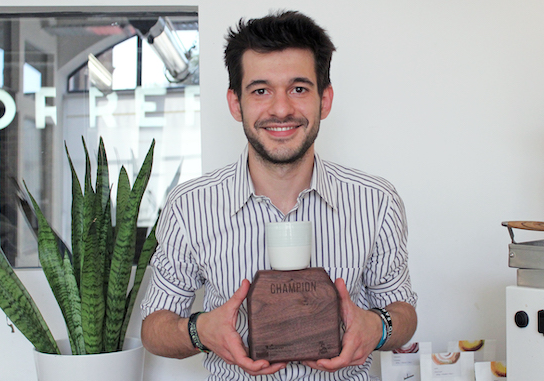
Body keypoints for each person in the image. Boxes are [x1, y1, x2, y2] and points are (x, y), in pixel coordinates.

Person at [140, 10, 418, 380]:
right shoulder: (189, 206)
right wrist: (200, 330)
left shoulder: (376, 201)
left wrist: (378, 328)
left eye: (299, 89)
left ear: (326, 99)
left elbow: (403, 313)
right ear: (236, 103)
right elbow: (153, 328)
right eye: (261, 90)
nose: (282, 108)